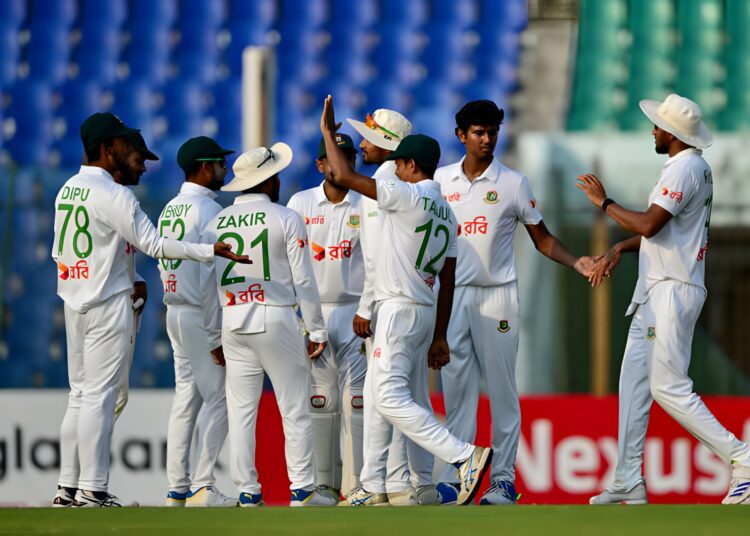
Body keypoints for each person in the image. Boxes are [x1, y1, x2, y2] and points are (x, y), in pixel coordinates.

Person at [51, 113, 248, 508]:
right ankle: (92, 489)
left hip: (75, 300)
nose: (140, 161)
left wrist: (134, 274)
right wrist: (208, 249)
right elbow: (155, 245)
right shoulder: (114, 194)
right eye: (130, 148)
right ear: (108, 149)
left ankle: (67, 489)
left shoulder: (67, 190)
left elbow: (68, 251)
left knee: (80, 395)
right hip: (108, 304)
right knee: (101, 397)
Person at [321, 95, 493, 507]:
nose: (395, 170)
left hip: (396, 308)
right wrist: (440, 334)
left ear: (411, 165)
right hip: (425, 309)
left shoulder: (405, 194)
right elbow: (449, 279)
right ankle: (375, 484)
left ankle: (464, 455)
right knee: (396, 396)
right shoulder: (447, 211)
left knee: (387, 397)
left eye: (399, 164)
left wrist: (327, 132)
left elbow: (342, 174)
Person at [578, 93, 750, 506]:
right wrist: (619, 248)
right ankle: (626, 478)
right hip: (657, 287)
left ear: (672, 133)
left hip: (673, 288)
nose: (653, 130)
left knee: (668, 386)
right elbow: (666, 232)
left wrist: (604, 203)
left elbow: (651, 225)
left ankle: (743, 458)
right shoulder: (688, 167)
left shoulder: (685, 167)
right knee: (633, 383)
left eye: (657, 126)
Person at [434, 100, 595, 505]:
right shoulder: (439, 181)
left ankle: (502, 481)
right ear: (461, 135)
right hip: (452, 297)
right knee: (457, 394)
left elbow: (542, 239)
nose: (487, 139)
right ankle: (457, 478)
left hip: (498, 297)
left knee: (503, 391)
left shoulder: (513, 183)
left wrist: (576, 261)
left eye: (492, 132)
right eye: (479, 132)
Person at [203, 143, 337, 507]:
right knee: (294, 407)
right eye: (275, 175)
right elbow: (303, 279)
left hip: (232, 318)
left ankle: (248, 491)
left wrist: (214, 334)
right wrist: (316, 329)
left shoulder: (215, 223)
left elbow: (207, 285)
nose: (278, 181)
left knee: (240, 412)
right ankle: (303, 490)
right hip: (275, 314)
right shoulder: (285, 217)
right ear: (267, 181)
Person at [346, 108, 439, 505]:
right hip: (422, 300)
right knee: (411, 394)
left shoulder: (386, 182)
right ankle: (421, 483)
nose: (361, 145)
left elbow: (375, 253)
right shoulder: (424, 191)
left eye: (368, 137)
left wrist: (365, 306)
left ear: (388, 144)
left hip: (390, 301)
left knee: (383, 395)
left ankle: (390, 484)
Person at [286, 134, 365, 500]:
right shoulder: (300, 203)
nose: (342, 163)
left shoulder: (366, 201)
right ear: (320, 164)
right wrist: (300, 318)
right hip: (313, 312)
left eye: (348, 157)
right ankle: (323, 485)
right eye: (334, 157)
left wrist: (369, 310)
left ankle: (359, 485)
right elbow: (289, 264)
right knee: (320, 401)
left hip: (356, 312)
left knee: (356, 402)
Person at [159, 136, 237, 507]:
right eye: (220, 164)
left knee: (186, 399)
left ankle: (177, 488)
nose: (225, 169)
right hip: (198, 313)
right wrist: (214, 334)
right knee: (221, 398)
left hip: (174, 309)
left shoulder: (170, 208)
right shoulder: (209, 211)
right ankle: (203, 485)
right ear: (205, 167)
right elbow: (209, 279)